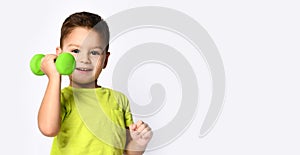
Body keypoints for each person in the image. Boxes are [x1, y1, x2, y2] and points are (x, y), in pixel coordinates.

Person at [37, 11, 152, 155]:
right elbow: (48, 129)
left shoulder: (119, 100)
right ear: (60, 55)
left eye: (94, 53)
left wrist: (138, 143)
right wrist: (54, 77)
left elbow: (127, 153)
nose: (84, 59)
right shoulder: (60, 98)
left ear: (106, 59)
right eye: (76, 50)